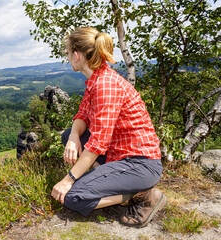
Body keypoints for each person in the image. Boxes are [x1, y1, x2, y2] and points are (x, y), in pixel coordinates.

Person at [50, 27, 166, 228]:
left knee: (73, 198)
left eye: (68, 53)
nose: (68, 57)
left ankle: (142, 194)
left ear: (76, 56)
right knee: (70, 134)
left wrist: (68, 180)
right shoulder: (97, 79)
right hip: (120, 155)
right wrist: (73, 138)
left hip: (139, 164)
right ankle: (105, 179)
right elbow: (82, 116)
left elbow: (98, 143)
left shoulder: (105, 85)